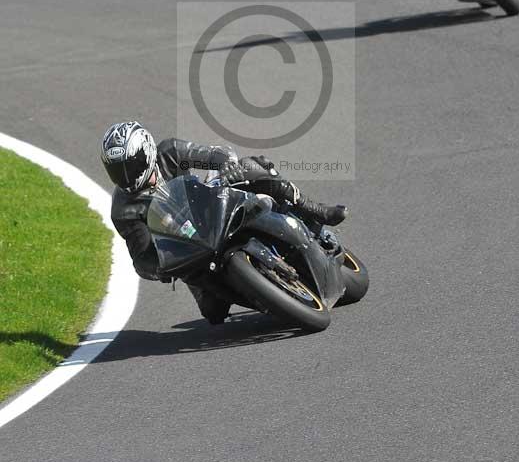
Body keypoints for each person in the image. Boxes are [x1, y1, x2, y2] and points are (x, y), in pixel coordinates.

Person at [100, 121, 347, 324]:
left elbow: (217, 155)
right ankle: (270, 294)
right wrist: (160, 268)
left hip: (210, 206)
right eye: (117, 170)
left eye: (129, 166)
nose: (125, 176)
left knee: (253, 167)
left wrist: (227, 168)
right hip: (190, 250)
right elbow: (141, 256)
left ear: (146, 153)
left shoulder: (170, 154)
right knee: (213, 312)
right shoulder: (124, 210)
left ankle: (314, 210)